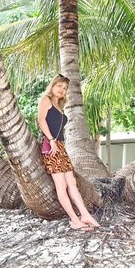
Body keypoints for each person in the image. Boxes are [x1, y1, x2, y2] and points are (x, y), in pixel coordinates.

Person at [37, 74, 101, 231]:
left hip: (61, 147)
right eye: (59, 85)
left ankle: (85, 215)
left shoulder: (59, 106)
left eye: (65, 88)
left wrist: (58, 144)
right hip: (52, 147)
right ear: (53, 85)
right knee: (62, 185)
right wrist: (51, 140)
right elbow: (41, 120)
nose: (62, 89)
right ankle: (74, 220)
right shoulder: (45, 100)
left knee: (72, 183)